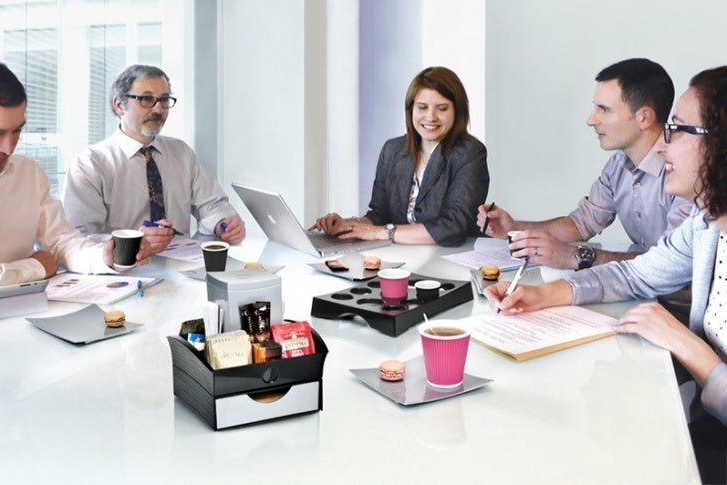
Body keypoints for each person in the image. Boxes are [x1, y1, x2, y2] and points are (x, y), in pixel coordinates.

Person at [485, 66, 727, 484]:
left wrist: (685, 344)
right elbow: (636, 276)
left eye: (679, 131)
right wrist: (547, 295)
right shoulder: (705, 225)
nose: (664, 148)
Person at [0, 59, 147, 296]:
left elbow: (61, 241)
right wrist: (33, 268)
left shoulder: (27, 172)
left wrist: (104, 256)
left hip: (28, 319)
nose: (8, 147)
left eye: (17, 130)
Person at [478, 58, 691, 270]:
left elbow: (672, 262)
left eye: (604, 109)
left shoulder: (688, 170)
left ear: (644, 117)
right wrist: (514, 228)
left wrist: (578, 256)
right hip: (646, 290)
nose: (591, 119)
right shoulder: (617, 165)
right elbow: (581, 223)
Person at [62, 65, 245, 255]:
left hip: (185, 265)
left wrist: (224, 222)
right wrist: (133, 241)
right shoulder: (89, 165)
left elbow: (212, 205)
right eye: (146, 99)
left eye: (164, 100)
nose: (158, 109)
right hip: (122, 272)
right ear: (119, 105)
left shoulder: (181, 153)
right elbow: (77, 238)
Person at [311, 66, 489, 246]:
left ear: (457, 111)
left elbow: (453, 227)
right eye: (422, 107)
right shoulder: (392, 150)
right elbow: (379, 215)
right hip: (397, 255)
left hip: (448, 257)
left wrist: (381, 232)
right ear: (410, 109)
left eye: (442, 109)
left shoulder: (470, 153)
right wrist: (349, 225)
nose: (430, 116)